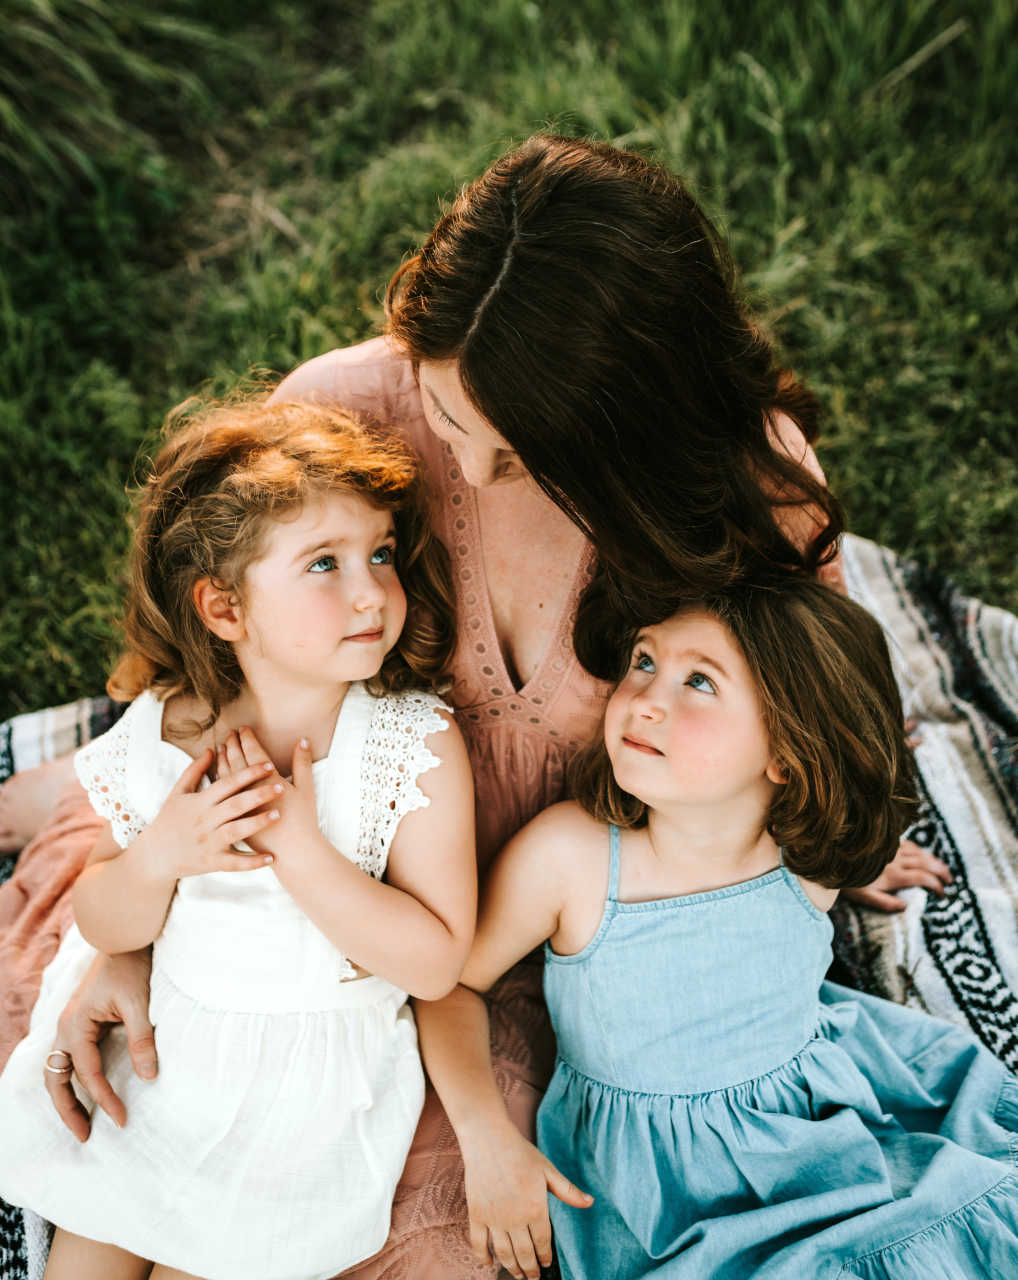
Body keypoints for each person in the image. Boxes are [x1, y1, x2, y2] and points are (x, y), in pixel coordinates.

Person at [0, 135, 950, 1277]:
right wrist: (131, 946)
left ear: (627, 422)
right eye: (452, 422)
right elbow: (223, 676)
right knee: (153, 1142)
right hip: (306, 891)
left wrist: (818, 833)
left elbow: (807, 688)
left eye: (520, 449)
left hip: (510, 944)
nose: (471, 464)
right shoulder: (345, 417)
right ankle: (53, 791)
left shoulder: (744, 486)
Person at [416, 578, 1018, 1280]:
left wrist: (859, 870)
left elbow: (845, 828)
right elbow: (448, 985)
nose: (645, 699)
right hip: (662, 1188)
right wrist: (489, 1139)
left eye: (698, 682)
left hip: (812, 1133)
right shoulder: (572, 858)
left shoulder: (808, 863)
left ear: (787, 755)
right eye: (645, 661)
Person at [0, 396, 477, 1280]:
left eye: (379, 553)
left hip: (301, 1104)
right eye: (324, 564)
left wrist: (303, 852)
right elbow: (103, 916)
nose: (371, 588)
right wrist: (160, 857)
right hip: (160, 1067)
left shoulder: (408, 746)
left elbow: (436, 961)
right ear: (225, 608)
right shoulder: (169, 732)